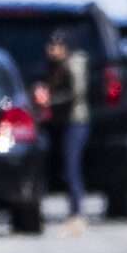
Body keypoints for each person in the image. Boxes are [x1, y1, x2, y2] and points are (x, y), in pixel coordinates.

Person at [42, 30, 90, 229]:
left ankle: (77, 213)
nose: (52, 51)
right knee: (64, 167)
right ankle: (73, 211)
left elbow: (75, 94)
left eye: (56, 47)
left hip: (76, 121)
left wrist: (49, 102)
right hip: (61, 122)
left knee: (72, 167)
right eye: (50, 46)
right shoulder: (53, 67)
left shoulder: (73, 66)